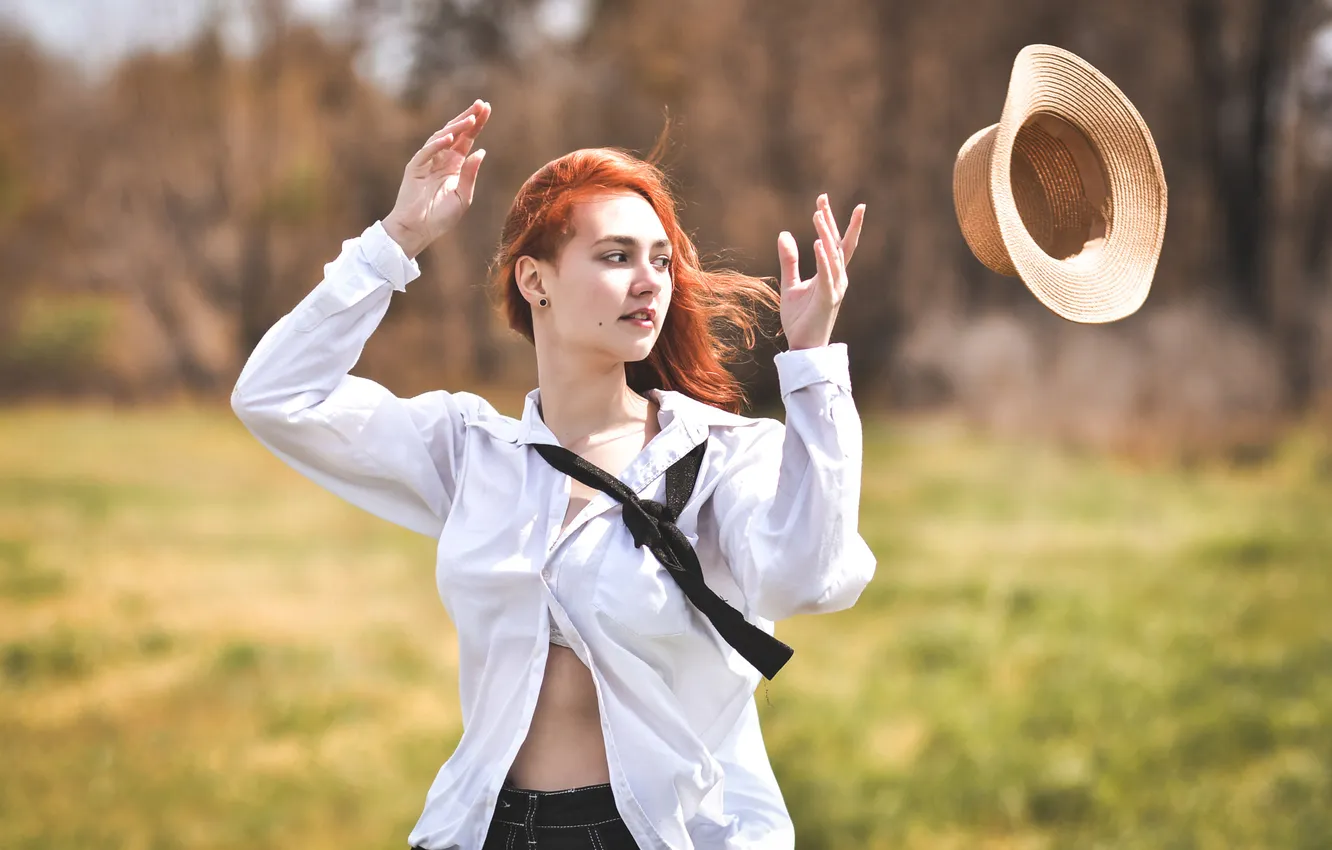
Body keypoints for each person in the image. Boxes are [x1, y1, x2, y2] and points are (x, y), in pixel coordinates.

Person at [230, 98, 877, 850]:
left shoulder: (718, 458)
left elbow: (808, 579)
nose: (650, 281)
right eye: (617, 256)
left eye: (661, 260)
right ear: (535, 280)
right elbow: (277, 396)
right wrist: (396, 240)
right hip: (485, 830)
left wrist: (813, 365)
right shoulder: (473, 453)